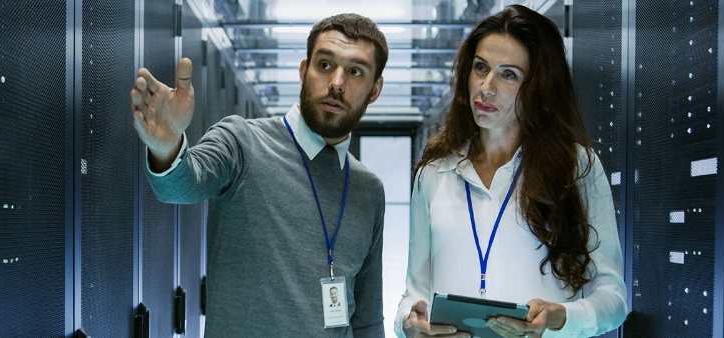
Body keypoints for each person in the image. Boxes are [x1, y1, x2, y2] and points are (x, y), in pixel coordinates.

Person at [131, 13, 390, 337]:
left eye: (355, 71)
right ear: (303, 71)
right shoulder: (242, 141)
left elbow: (367, 319)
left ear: (374, 89)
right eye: (325, 65)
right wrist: (167, 146)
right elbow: (182, 184)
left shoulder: (369, 190)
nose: (337, 83)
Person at [395, 5, 628, 338]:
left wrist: (562, 318)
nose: (486, 87)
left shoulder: (576, 167)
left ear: (538, 87)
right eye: (480, 68)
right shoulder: (434, 173)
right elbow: (414, 293)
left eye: (508, 74)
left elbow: (613, 298)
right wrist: (408, 325)